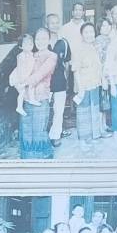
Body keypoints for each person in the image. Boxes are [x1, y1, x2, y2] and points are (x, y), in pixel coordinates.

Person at [12, 29, 56, 161]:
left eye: (44, 38)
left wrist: (24, 83)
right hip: (27, 96)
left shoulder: (52, 56)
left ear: (49, 40)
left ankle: (42, 156)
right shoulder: (30, 54)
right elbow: (19, 70)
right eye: (38, 39)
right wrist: (15, 81)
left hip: (41, 96)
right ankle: (27, 156)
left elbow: (40, 74)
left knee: (39, 127)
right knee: (26, 126)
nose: (40, 42)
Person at [72, 21, 104, 147]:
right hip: (83, 86)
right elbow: (75, 70)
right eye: (86, 32)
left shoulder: (94, 47)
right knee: (83, 112)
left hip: (94, 84)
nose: (89, 34)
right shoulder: (78, 49)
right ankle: (83, 139)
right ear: (82, 34)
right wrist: (80, 88)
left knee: (94, 109)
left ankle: (94, 135)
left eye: (91, 32)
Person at [46, 13, 71, 146]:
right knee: (44, 109)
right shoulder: (42, 41)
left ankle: (55, 135)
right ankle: (42, 135)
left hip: (60, 80)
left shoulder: (64, 42)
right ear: (47, 25)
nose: (54, 25)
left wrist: (66, 80)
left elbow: (67, 63)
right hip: (44, 81)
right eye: (52, 23)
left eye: (57, 22)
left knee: (59, 110)